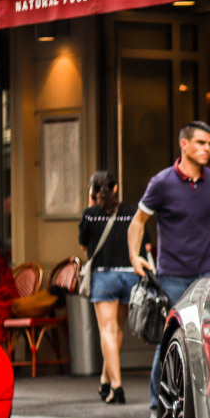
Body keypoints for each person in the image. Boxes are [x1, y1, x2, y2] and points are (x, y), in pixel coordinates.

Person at [128, 121, 210, 418]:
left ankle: (202, 407)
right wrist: (134, 257)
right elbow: (138, 222)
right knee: (171, 340)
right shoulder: (161, 183)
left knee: (209, 341)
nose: (207, 149)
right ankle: (156, 404)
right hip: (172, 276)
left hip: (208, 272)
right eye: (200, 143)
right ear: (184, 145)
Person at [78, 171, 138, 405]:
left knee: (107, 331)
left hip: (103, 277)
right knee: (117, 330)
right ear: (115, 189)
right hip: (128, 276)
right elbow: (144, 242)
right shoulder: (131, 212)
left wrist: (90, 204)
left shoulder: (90, 215)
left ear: (93, 191)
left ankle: (117, 386)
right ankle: (105, 378)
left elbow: (84, 245)